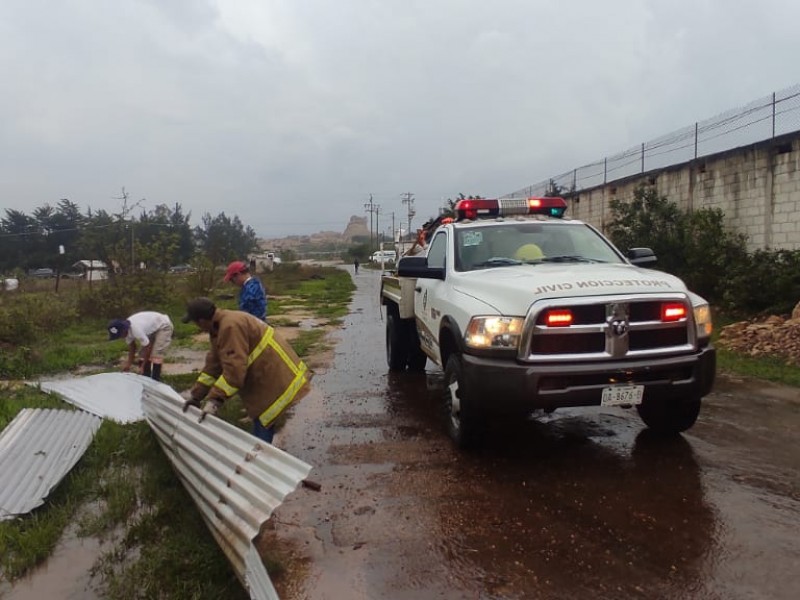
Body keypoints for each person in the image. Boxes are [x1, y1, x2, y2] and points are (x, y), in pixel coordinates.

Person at [180, 297, 310, 443]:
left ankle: (261, 459)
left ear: (202, 321)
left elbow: (234, 371)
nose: (198, 327)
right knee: (262, 418)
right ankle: (260, 454)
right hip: (267, 373)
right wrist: (196, 396)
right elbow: (213, 365)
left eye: (195, 323)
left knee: (264, 417)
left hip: (275, 376)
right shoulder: (219, 326)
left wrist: (215, 400)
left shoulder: (230, 327)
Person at [108, 311, 174, 381]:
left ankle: (156, 380)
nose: (120, 337)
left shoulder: (136, 330)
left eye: (120, 335)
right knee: (142, 355)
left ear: (124, 330)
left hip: (163, 325)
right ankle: (146, 377)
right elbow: (132, 348)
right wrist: (128, 364)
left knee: (156, 354)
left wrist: (143, 366)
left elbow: (147, 347)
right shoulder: (126, 333)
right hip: (151, 329)